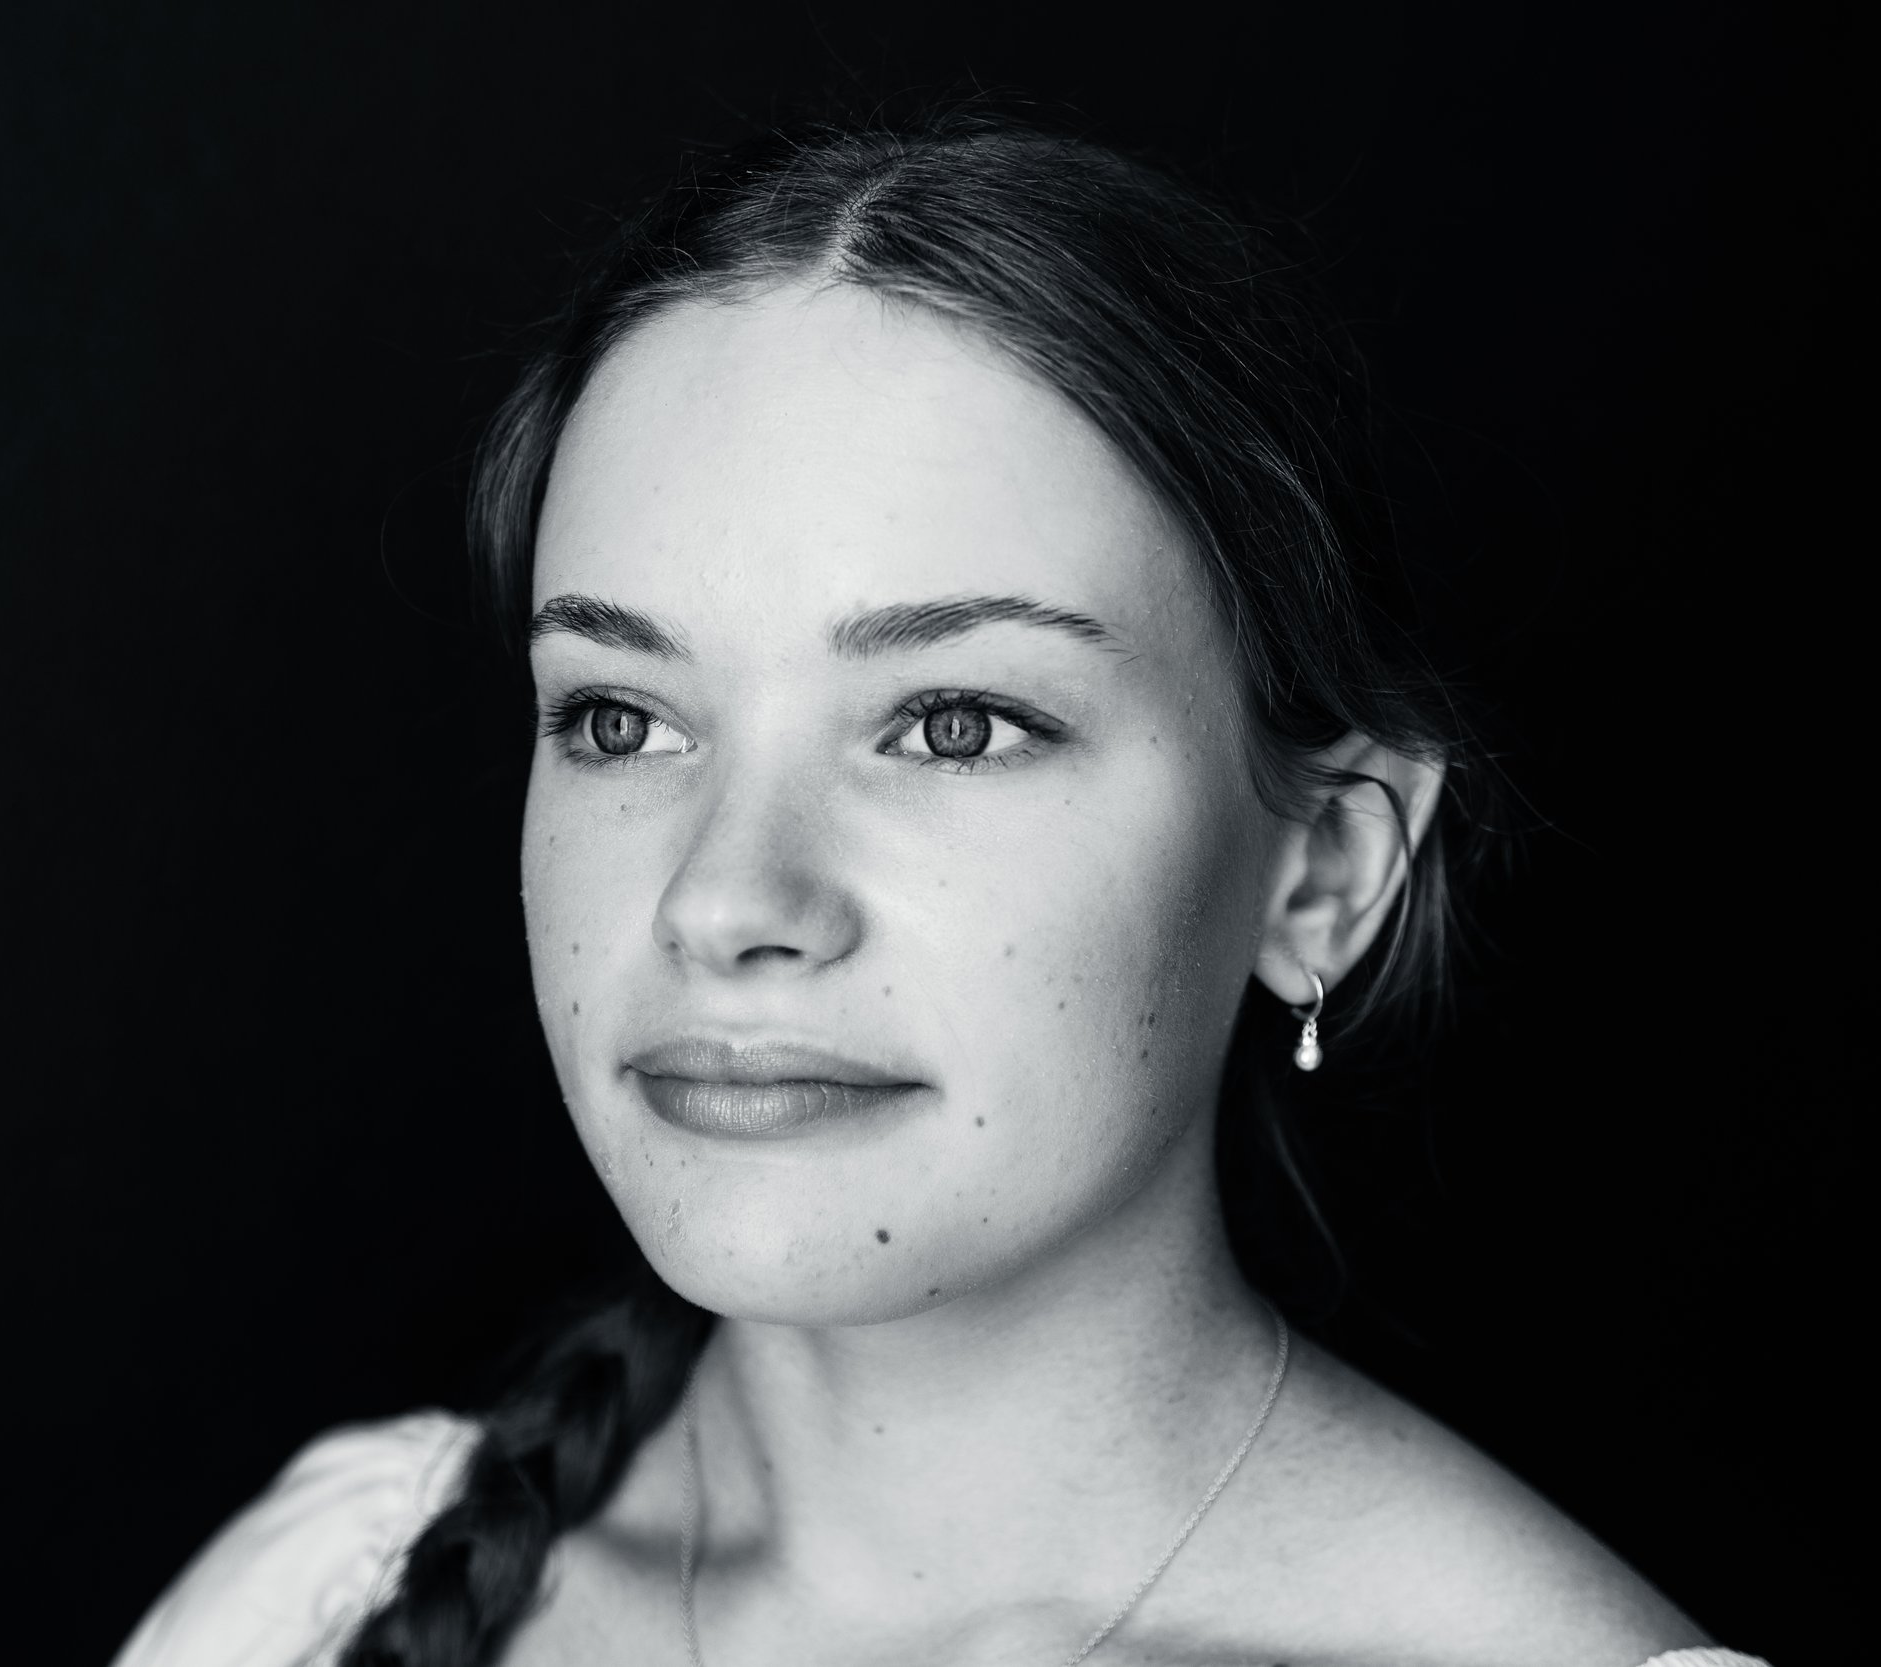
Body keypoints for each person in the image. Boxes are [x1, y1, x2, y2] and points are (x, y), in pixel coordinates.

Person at [111, 108, 1773, 1667]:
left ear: (1322, 871)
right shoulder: (331, 1598)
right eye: (620, 719)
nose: (727, 897)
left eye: (954, 724)